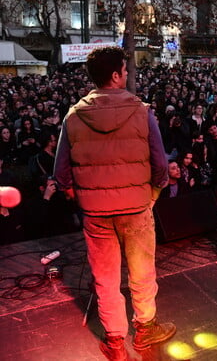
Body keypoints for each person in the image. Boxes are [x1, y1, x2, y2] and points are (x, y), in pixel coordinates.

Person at [54, 47, 176, 360]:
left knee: (105, 279)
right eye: (124, 69)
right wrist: (154, 193)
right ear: (115, 75)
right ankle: (145, 331)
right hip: (136, 208)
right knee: (142, 271)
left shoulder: (74, 115)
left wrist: (80, 197)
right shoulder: (140, 110)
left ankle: (116, 342)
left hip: (95, 213)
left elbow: (61, 173)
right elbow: (161, 165)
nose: (126, 74)